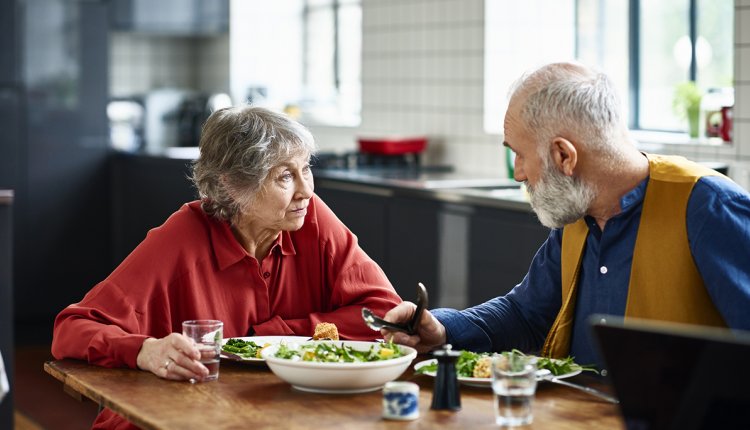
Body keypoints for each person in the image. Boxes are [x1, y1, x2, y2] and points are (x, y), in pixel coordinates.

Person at [382, 61, 750, 369]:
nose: (518, 173)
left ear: (564, 156)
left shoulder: (708, 208)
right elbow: (524, 313)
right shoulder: (579, 212)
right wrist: (443, 329)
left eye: (520, 154)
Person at [52, 106, 401, 429]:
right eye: (284, 176)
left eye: (306, 168)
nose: (306, 190)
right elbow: (72, 327)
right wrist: (145, 351)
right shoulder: (180, 238)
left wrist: (274, 338)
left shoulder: (311, 217)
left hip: (277, 415)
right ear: (233, 186)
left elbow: (385, 314)